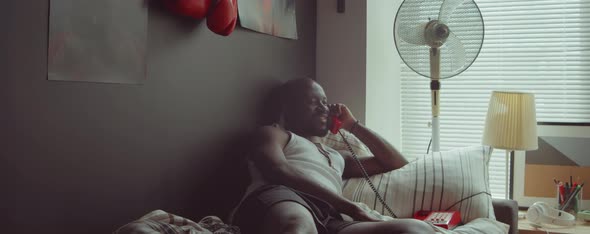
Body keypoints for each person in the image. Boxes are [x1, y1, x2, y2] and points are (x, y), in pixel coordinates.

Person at [231, 78, 434, 234]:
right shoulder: (274, 133)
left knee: (416, 229)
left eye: (325, 102)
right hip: (284, 198)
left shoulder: (338, 156)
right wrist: (351, 208)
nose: (324, 108)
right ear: (288, 110)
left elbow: (395, 162)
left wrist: (353, 126)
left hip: (330, 217)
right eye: (313, 102)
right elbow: (277, 170)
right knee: (299, 225)